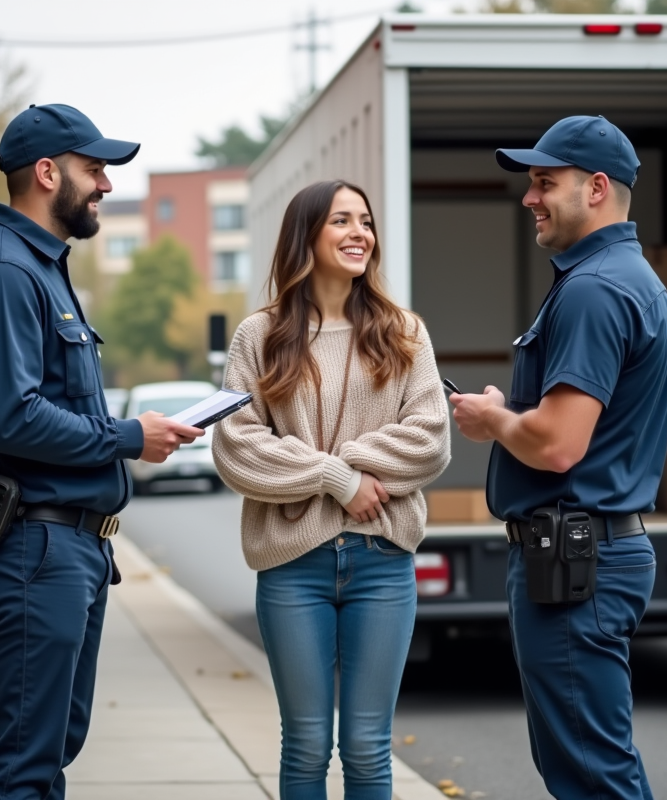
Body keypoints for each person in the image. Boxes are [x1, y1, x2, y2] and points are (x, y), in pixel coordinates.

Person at [0, 103, 203, 800]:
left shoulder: (42, 269)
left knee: (49, 753)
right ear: (47, 172)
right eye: (95, 170)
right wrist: (128, 438)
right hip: (34, 550)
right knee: (21, 768)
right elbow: (12, 420)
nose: (107, 185)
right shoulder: (3, 273)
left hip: (69, 551)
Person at [449, 116, 667, 800]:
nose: (530, 198)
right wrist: (512, 416)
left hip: (576, 566)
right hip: (589, 558)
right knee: (582, 765)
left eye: (545, 183)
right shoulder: (631, 281)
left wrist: (494, 420)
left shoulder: (594, 290)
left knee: (591, 777)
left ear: (598, 188)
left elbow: (558, 443)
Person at [212, 180, 451, 800]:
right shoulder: (258, 337)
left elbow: (430, 440)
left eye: (366, 222)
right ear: (306, 236)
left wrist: (342, 460)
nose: (359, 233)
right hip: (293, 566)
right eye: (341, 221)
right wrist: (337, 478)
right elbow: (236, 446)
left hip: (382, 563)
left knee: (369, 747)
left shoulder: (405, 332)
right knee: (307, 744)